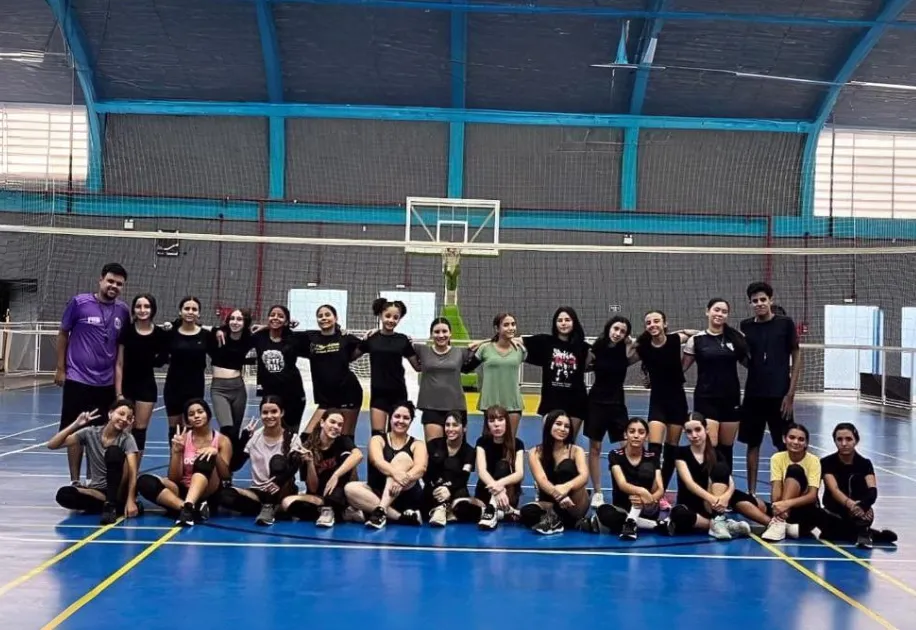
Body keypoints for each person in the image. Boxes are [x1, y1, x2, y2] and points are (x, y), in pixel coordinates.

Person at [56, 262, 130, 485]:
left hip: (105, 383)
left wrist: (119, 390)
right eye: (110, 281)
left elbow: (121, 348)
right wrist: (60, 369)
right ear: (100, 280)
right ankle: (76, 481)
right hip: (78, 379)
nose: (113, 286)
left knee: (100, 434)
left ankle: (95, 481)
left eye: (119, 284)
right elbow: (62, 334)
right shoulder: (79, 303)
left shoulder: (123, 311)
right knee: (76, 431)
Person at [739, 281, 802, 496]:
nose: (759, 304)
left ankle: (788, 492)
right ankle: (752, 493)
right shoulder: (746, 326)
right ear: (750, 303)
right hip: (754, 395)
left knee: (785, 445)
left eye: (763, 300)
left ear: (771, 300)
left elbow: (796, 354)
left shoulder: (785, 324)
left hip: (780, 395)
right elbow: (747, 357)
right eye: (755, 301)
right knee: (752, 443)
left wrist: (790, 394)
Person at [137, 399, 233, 526]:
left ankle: (189, 506)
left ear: (208, 415)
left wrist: (216, 455)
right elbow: (174, 478)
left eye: (200, 412)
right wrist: (177, 452)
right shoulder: (183, 439)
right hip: (183, 489)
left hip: (209, 490)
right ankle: (188, 508)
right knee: (144, 481)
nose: (196, 416)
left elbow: (226, 476)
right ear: (188, 420)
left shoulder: (222, 440)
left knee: (205, 458)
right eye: (191, 414)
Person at [635, 310, 697, 501]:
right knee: (654, 449)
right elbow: (633, 355)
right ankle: (652, 488)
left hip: (677, 401)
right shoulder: (644, 346)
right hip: (658, 401)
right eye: (648, 322)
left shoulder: (675, 340)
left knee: (672, 450)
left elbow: (699, 334)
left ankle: (661, 493)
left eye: (656, 321)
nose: (652, 325)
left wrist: (683, 330)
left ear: (664, 323)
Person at [48, 399, 141, 525]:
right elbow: (52, 445)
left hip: (118, 489)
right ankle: (113, 505)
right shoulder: (90, 433)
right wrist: (76, 424)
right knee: (64, 495)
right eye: (121, 414)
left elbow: (133, 472)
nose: (124, 419)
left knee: (113, 452)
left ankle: (112, 504)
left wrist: (130, 499)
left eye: (129, 418)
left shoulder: (127, 439)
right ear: (110, 414)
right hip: (98, 491)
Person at [681, 298, 748, 473]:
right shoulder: (696, 340)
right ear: (707, 311)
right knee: (711, 446)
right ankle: (708, 489)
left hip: (730, 399)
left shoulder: (736, 339)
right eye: (716, 310)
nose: (719, 314)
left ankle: (725, 487)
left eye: (724, 311)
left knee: (726, 449)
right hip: (706, 399)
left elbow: (751, 364)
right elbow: (681, 369)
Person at [221, 396, 303, 526]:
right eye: (265, 412)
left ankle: (270, 506)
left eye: (274, 411)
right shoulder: (254, 437)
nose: (269, 416)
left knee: (277, 460)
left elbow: (295, 466)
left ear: (281, 413)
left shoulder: (292, 437)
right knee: (224, 495)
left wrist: (278, 481)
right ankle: (269, 507)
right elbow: (235, 466)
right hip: (259, 492)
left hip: (282, 488)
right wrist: (243, 440)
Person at [668, 413, 752, 540]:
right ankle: (722, 525)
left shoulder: (716, 454)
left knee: (722, 472)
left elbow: (730, 482)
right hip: (689, 505)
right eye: (689, 432)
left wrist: (724, 497)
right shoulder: (681, 453)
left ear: (706, 429)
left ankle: (717, 521)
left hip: (709, 506)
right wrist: (713, 499)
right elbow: (689, 483)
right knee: (678, 515)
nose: (694, 435)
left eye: (698, 430)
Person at [344, 402, 427, 528]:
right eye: (397, 416)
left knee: (403, 458)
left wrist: (403, 479)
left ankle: (380, 511)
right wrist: (395, 474)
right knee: (350, 488)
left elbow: (421, 468)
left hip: (406, 493)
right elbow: (377, 461)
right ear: (390, 417)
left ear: (411, 421)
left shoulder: (417, 444)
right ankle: (401, 517)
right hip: (378, 493)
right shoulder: (377, 440)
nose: (401, 421)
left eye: (406, 418)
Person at [585, 316, 638, 507]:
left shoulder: (626, 350)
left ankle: (628, 488)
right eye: (616, 329)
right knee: (595, 448)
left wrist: (631, 342)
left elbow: (646, 349)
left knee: (628, 446)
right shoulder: (596, 348)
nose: (618, 333)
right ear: (609, 328)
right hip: (596, 402)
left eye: (623, 331)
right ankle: (597, 491)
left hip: (617, 403)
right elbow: (583, 367)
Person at [819, 423, 897, 549]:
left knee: (866, 513)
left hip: (859, 512)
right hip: (834, 511)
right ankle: (870, 534)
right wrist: (852, 505)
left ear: (856, 440)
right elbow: (834, 490)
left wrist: (863, 505)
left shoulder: (865, 463)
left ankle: (863, 532)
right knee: (829, 532)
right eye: (839, 439)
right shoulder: (826, 462)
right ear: (835, 441)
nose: (844, 443)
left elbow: (872, 491)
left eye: (848, 439)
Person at [584, 417, 664, 540]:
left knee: (646, 469)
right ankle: (651, 525)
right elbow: (622, 484)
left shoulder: (652, 457)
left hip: (647, 507)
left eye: (641, 432)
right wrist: (641, 492)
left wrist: (650, 499)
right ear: (625, 434)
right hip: (622, 508)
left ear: (647, 437)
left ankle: (632, 522)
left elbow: (660, 488)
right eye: (632, 431)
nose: (636, 435)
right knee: (603, 511)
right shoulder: (615, 455)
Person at [285, 409, 364, 527]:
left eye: (340, 425)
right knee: (287, 503)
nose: (336, 427)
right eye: (332, 422)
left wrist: (336, 475)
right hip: (319, 495)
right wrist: (310, 463)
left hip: (339, 492)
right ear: (322, 422)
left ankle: (331, 509)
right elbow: (313, 488)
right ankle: (338, 512)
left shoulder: (343, 441)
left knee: (347, 457)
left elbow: (358, 455)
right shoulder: (309, 446)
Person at [520, 307, 590, 437]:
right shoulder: (545, 342)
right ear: (555, 323)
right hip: (551, 400)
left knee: (569, 444)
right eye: (560, 320)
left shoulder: (583, 347)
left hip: (576, 401)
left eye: (567, 320)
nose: (563, 323)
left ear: (574, 322)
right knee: (550, 442)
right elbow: (517, 341)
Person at [115, 293, 168, 458]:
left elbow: (163, 358)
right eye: (139, 306)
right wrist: (119, 393)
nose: (142, 310)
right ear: (134, 309)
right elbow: (119, 364)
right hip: (126, 387)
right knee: (122, 429)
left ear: (152, 310)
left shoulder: (160, 334)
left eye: (147, 306)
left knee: (139, 431)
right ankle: (119, 470)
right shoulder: (127, 331)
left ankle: (133, 472)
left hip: (146, 387)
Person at [356, 298, 420, 436]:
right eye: (388, 316)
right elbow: (351, 356)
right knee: (377, 435)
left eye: (395, 317)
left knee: (396, 435)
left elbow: (418, 367)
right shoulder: (371, 338)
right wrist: (355, 338)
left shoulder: (403, 340)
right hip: (378, 393)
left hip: (398, 393)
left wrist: (419, 348)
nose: (391, 320)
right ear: (380, 315)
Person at [300, 305, 363, 440]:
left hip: (348, 393)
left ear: (335, 318)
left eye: (327, 315)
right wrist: (266, 327)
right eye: (320, 315)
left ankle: (346, 460)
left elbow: (368, 345)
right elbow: (284, 334)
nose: (324, 318)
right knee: (307, 437)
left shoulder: (346, 338)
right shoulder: (310, 337)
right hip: (325, 398)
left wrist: (373, 332)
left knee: (344, 438)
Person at [521, 410, 590, 535]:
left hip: (574, 503)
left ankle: (560, 520)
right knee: (526, 511)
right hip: (551, 501)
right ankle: (557, 521)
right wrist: (559, 495)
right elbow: (541, 480)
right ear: (549, 425)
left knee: (566, 466)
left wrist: (566, 487)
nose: (563, 429)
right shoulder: (535, 452)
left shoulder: (576, 451)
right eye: (558, 424)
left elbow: (584, 476)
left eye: (567, 426)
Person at [413, 317, 473, 441]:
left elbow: (490, 344)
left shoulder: (461, 352)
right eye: (437, 332)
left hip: (456, 407)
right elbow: (396, 341)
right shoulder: (422, 350)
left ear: (450, 333)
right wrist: (375, 332)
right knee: (435, 453)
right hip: (431, 408)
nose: (441, 335)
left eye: (444, 331)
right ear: (431, 334)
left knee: (456, 453)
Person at [251, 305, 308, 431]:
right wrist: (265, 326)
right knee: (271, 430)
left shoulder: (293, 339)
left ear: (286, 321)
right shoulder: (259, 337)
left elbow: (315, 337)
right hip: (269, 393)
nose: (275, 318)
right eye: (272, 315)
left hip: (293, 394)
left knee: (290, 432)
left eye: (280, 316)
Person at [162, 297, 210, 443]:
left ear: (199, 314)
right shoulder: (170, 334)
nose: (190, 312)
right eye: (187, 309)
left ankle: (190, 464)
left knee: (192, 428)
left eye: (194, 309)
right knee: (175, 430)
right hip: (173, 387)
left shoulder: (206, 335)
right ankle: (174, 462)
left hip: (195, 388)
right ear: (180, 312)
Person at [472, 314, 526, 437]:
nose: (511, 328)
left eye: (513, 324)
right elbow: (465, 367)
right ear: (497, 328)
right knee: (488, 442)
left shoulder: (520, 350)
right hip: (490, 403)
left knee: (510, 443)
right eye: (506, 325)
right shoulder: (485, 348)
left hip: (513, 404)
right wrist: (483, 341)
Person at [209, 308, 255, 445]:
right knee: (227, 428)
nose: (235, 322)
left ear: (245, 323)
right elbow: (196, 326)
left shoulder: (248, 339)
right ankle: (222, 462)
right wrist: (215, 329)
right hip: (219, 389)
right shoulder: (219, 335)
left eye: (239, 319)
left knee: (235, 431)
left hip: (238, 388)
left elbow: (270, 331)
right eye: (232, 319)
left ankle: (232, 464)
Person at [474, 404, 525, 530]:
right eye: (492, 421)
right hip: (486, 490)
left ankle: (492, 510)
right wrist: (497, 489)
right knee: (461, 507)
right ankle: (502, 512)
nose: (496, 424)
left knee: (502, 465)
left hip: (507, 494)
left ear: (506, 422)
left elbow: (519, 473)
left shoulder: (517, 443)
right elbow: (482, 471)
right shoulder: (482, 442)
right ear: (487, 425)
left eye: (500, 420)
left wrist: (499, 486)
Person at [422, 410, 475, 526]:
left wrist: (449, 489)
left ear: (464, 428)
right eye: (447, 425)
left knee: (464, 507)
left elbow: (463, 477)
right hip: (434, 488)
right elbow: (426, 473)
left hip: (456, 489)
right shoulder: (433, 445)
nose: (450, 429)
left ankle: (443, 509)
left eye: (455, 425)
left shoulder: (469, 451)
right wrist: (438, 488)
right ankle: (445, 509)